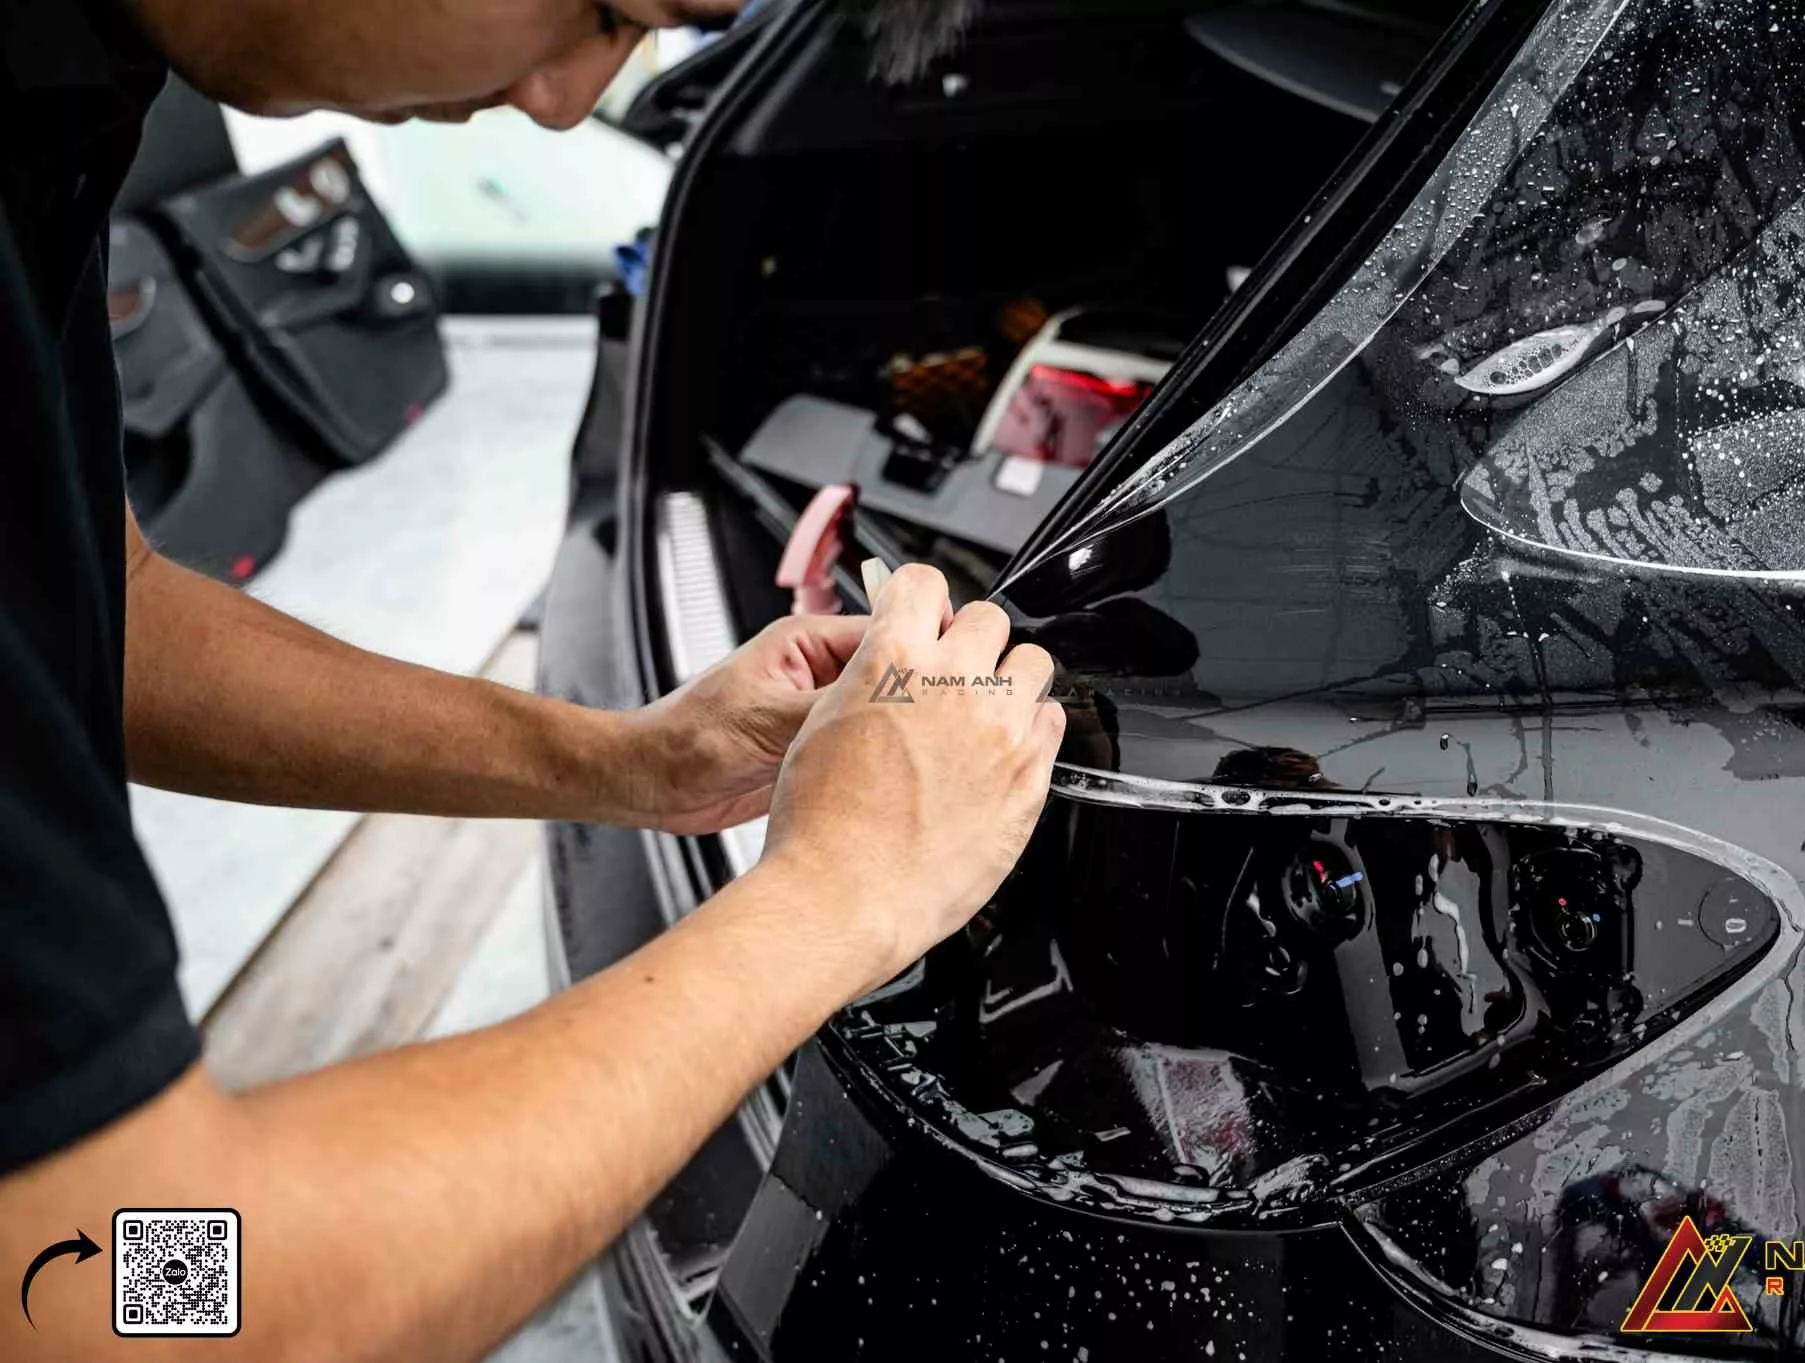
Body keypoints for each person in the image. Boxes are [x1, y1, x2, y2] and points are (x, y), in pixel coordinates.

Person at [0, 1, 1061, 1357]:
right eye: (607, 9)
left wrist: (634, 762)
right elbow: (121, 1293)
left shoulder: (60, 105)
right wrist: (837, 896)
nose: (565, 101)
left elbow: (108, 606)